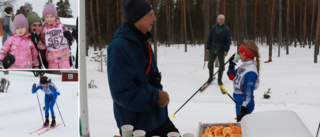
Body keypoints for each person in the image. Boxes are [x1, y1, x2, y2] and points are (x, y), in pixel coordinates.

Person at [107, 0, 179, 136]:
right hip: (137, 126)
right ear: (137, 17)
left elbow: (146, 78)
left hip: (157, 117)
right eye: (151, 14)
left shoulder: (141, 41)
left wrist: (159, 92)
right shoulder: (119, 47)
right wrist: (155, 95)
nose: (155, 19)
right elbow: (121, 92)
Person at [227, 41, 260, 122]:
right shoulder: (243, 66)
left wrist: (244, 107)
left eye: (241, 53)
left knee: (243, 128)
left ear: (246, 54)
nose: (239, 55)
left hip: (245, 104)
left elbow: (249, 92)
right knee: (240, 127)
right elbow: (232, 77)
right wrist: (231, 66)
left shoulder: (251, 71)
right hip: (239, 102)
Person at [37, 3, 73, 69]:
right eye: (47, 17)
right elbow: (43, 46)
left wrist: (70, 37)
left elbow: (71, 41)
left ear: (55, 16)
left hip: (64, 58)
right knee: (53, 76)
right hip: (51, 59)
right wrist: (38, 41)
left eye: (51, 16)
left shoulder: (61, 26)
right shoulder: (43, 29)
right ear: (44, 18)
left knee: (65, 75)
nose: (49, 19)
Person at [206, 14, 231, 93]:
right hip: (213, 48)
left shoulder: (226, 29)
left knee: (222, 65)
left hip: (221, 50)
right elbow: (209, 37)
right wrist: (208, 47)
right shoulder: (213, 27)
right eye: (220, 20)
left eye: (222, 20)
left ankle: (219, 79)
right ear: (217, 20)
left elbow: (228, 41)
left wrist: (226, 50)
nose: (221, 21)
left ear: (224, 20)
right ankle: (210, 77)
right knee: (210, 63)